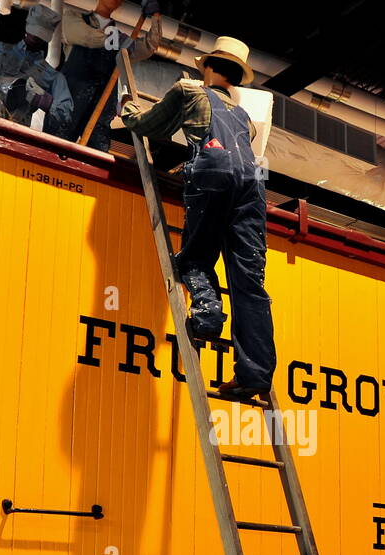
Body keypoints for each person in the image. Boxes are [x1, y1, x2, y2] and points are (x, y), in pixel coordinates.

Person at [121, 37, 275, 401]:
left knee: (195, 256)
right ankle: (255, 374)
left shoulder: (189, 90)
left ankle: (207, 315)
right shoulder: (245, 119)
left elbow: (151, 126)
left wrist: (128, 109)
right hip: (253, 188)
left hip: (213, 170)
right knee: (249, 284)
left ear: (207, 66)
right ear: (236, 78)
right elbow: (242, 156)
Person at [0, 5, 73, 139]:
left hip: (14, 131)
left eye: (41, 35)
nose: (36, 37)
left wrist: (43, 99)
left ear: (48, 37)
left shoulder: (53, 76)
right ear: (27, 26)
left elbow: (65, 117)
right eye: (34, 32)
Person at [59, 0, 161, 152]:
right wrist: (112, 39)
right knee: (54, 149)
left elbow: (148, 47)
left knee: (97, 158)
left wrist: (156, 17)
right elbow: (87, 37)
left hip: (101, 108)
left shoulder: (120, 39)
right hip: (69, 102)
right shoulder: (73, 18)